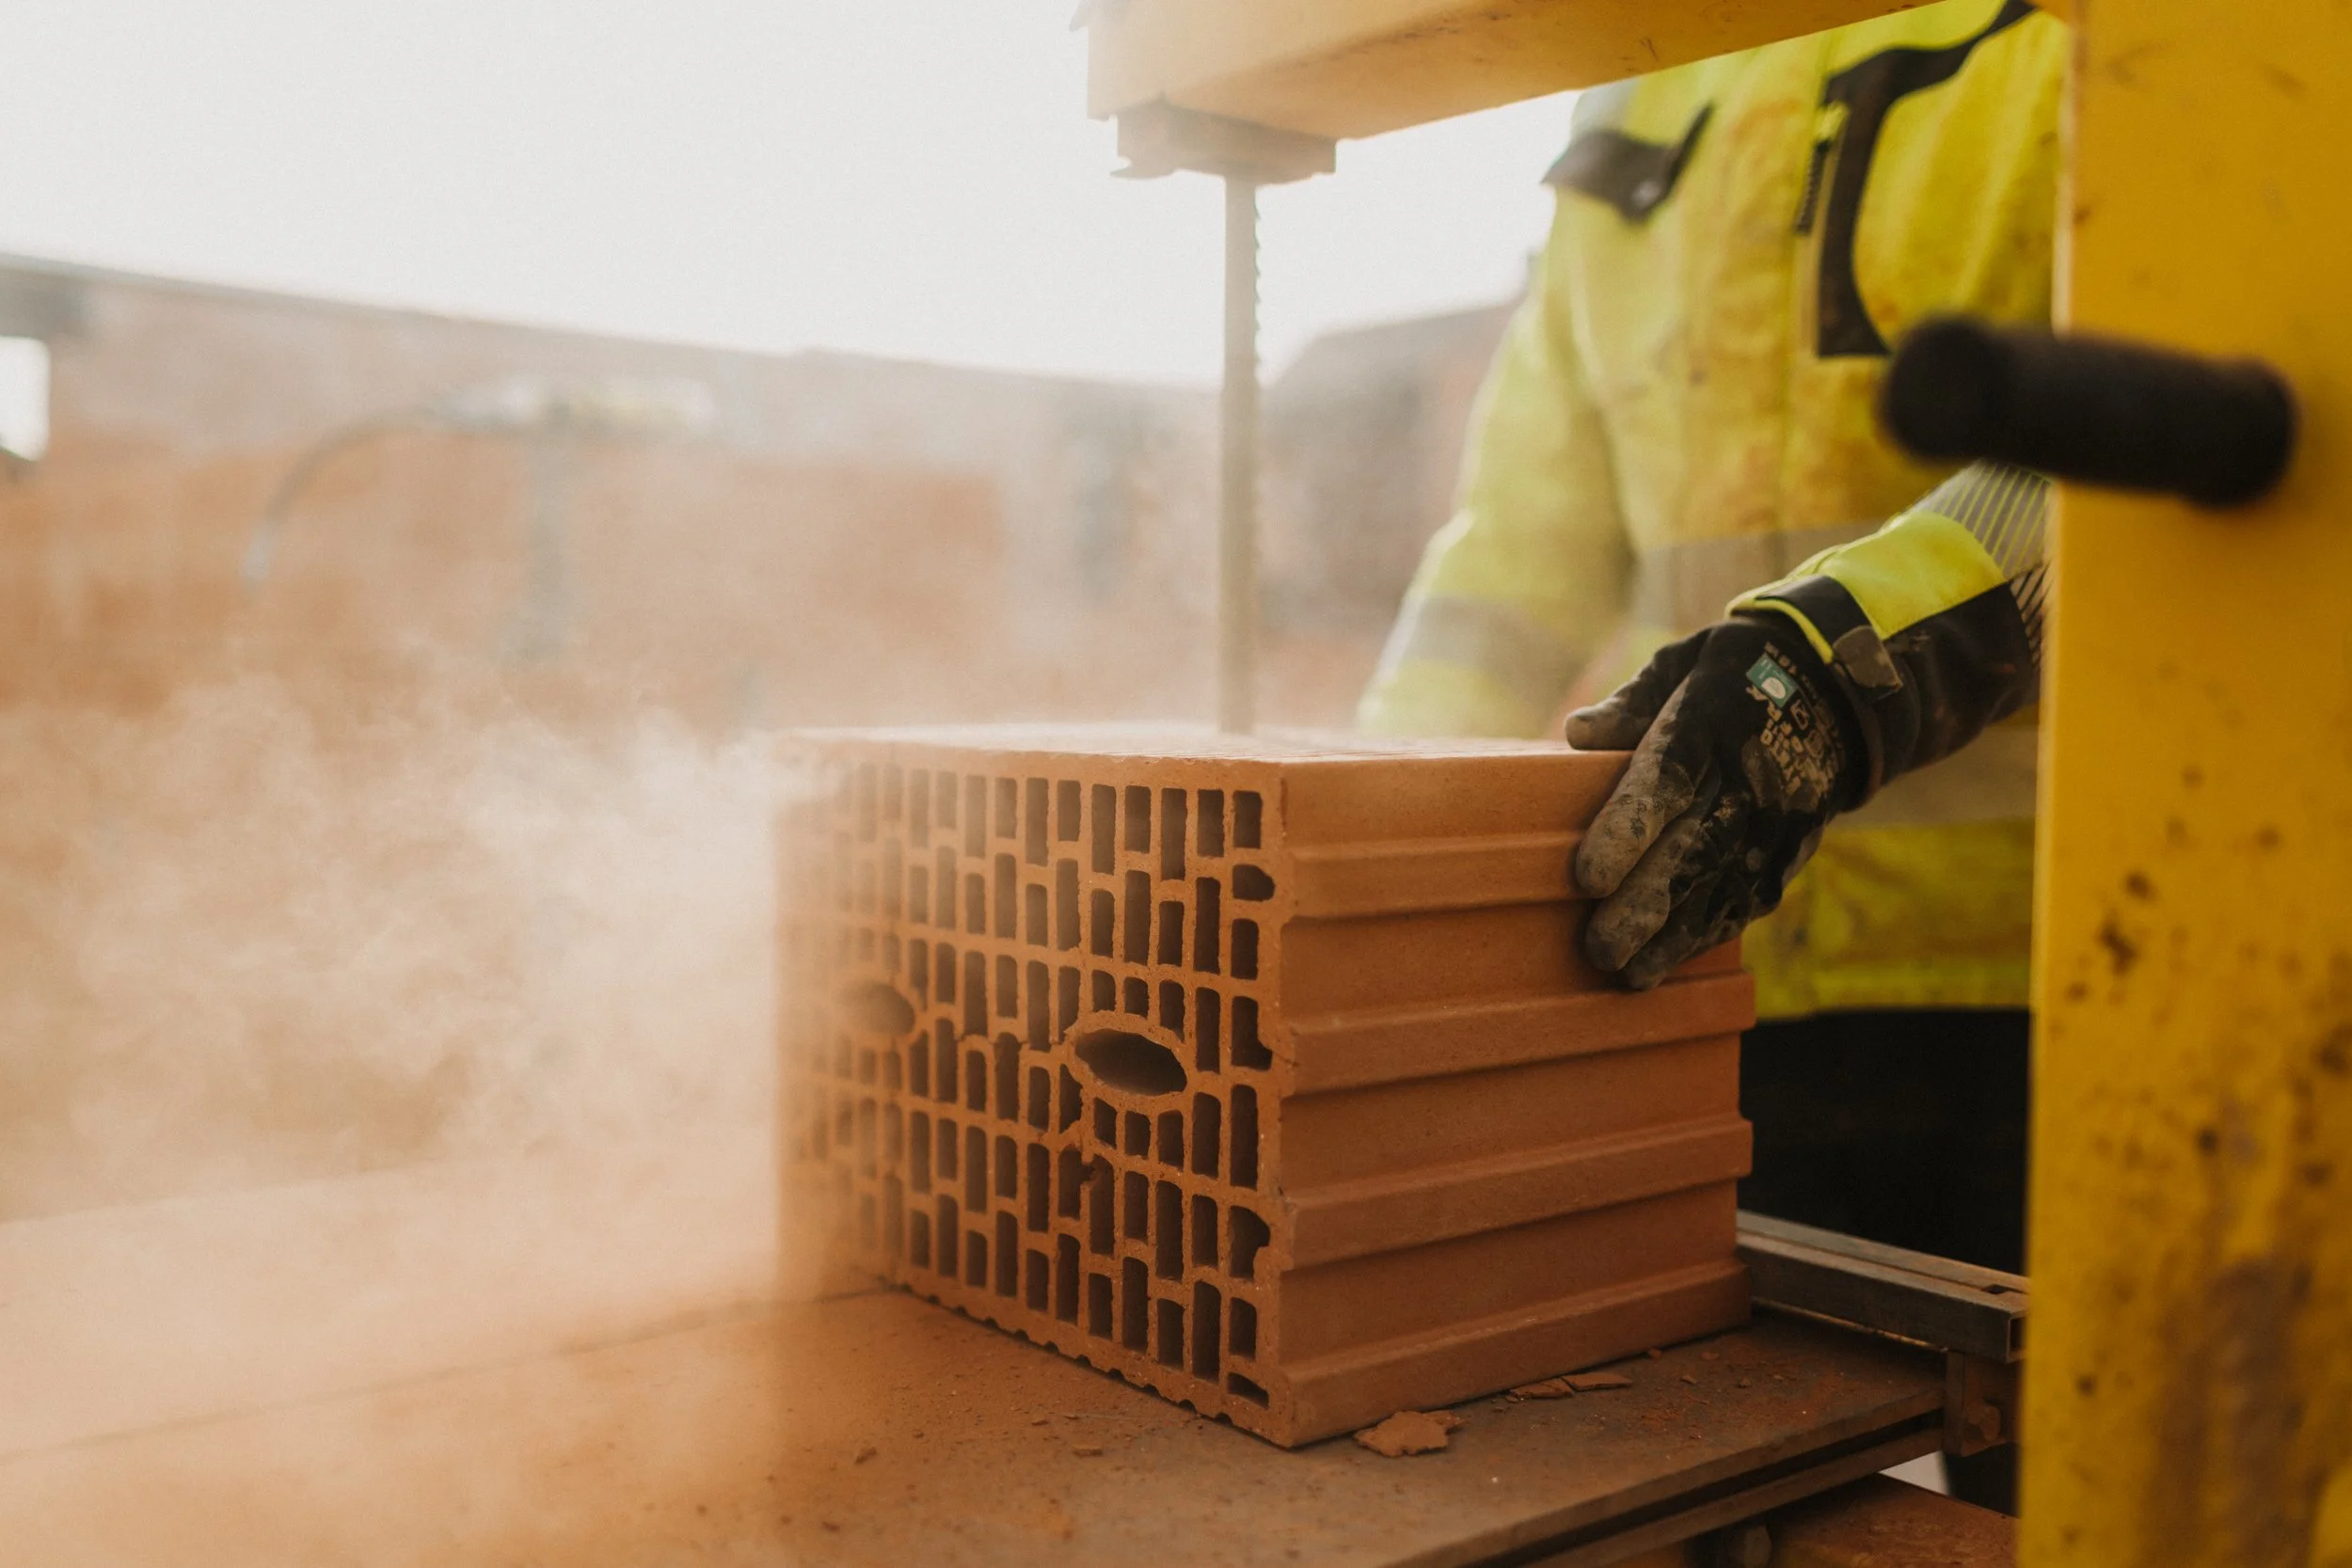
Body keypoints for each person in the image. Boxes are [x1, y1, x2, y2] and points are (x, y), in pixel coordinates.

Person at [1357, 0, 2067, 1511]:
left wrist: (1855, 663)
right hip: (1716, 982)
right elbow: (1518, 554)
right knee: (1739, 1505)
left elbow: (2194, 435)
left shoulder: (2089, 38)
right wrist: (1354, 842)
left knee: (2105, 1512)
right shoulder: (1658, 73)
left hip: (2071, 1000)